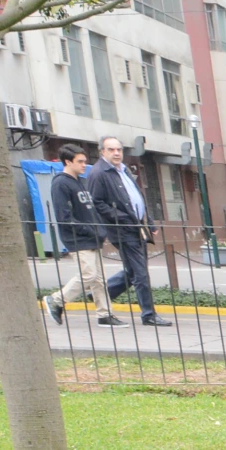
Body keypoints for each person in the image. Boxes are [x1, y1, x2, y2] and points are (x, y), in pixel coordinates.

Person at [88, 138, 171, 327]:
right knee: (140, 273)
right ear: (102, 152)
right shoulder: (99, 173)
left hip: (137, 228)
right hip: (123, 230)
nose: (116, 153)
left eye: (119, 149)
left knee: (132, 271)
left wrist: (148, 223)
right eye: (111, 150)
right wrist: (123, 218)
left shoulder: (122, 169)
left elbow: (136, 199)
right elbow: (97, 203)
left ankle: (101, 293)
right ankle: (148, 315)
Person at [40, 145, 117, 327]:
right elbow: (64, 217)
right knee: (88, 275)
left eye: (85, 161)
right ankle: (56, 300)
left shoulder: (79, 182)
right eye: (80, 161)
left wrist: (100, 230)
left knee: (99, 279)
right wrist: (91, 230)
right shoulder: (61, 183)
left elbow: (89, 211)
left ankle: (105, 315)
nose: (84, 165)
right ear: (68, 162)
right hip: (78, 239)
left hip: (92, 237)